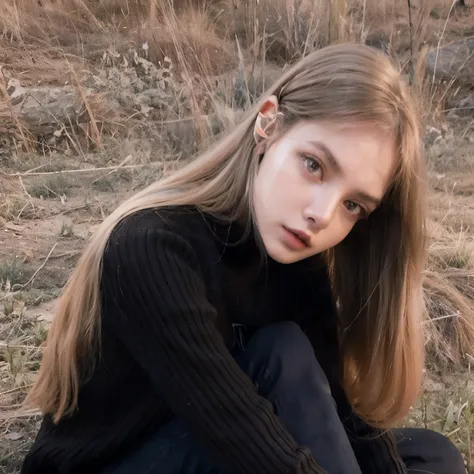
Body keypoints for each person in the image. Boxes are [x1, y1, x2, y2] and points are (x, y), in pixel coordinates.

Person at [21, 43, 466, 474]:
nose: (321, 215)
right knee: (283, 353)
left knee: (431, 454)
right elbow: (236, 429)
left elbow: (340, 409)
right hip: (124, 458)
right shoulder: (153, 247)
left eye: (353, 204)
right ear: (268, 126)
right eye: (314, 165)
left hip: (225, 440)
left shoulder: (294, 262)